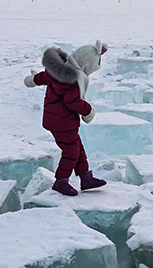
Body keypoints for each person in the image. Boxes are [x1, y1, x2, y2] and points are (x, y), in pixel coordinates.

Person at [24, 41, 108, 196]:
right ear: (85, 65)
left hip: (60, 120)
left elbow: (43, 77)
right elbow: (73, 102)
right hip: (61, 123)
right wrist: (89, 110)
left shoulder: (58, 71)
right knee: (71, 152)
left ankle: (86, 178)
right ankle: (61, 182)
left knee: (78, 148)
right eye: (90, 70)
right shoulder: (69, 81)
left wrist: (31, 80)